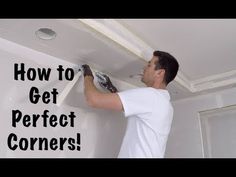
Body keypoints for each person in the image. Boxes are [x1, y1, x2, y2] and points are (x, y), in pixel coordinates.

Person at [82, 50, 179, 158]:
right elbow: (130, 106)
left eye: (149, 65)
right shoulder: (165, 104)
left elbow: (93, 100)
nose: (144, 68)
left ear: (160, 73)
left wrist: (88, 76)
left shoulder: (150, 95)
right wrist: (111, 88)